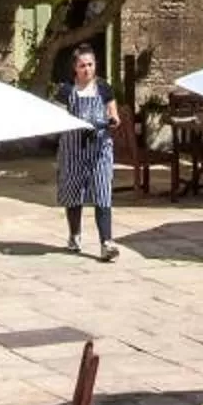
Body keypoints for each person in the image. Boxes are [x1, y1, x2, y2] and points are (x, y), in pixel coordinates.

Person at [54, 48, 119, 261]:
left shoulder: (103, 88)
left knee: (102, 191)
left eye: (90, 64)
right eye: (82, 65)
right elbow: (56, 116)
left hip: (100, 148)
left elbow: (113, 113)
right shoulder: (65, 91)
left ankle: (106, 243)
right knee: (73, 192)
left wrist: (112, 120)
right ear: (75, 67)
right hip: (73, 150)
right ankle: (74, 235)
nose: (87, 69)